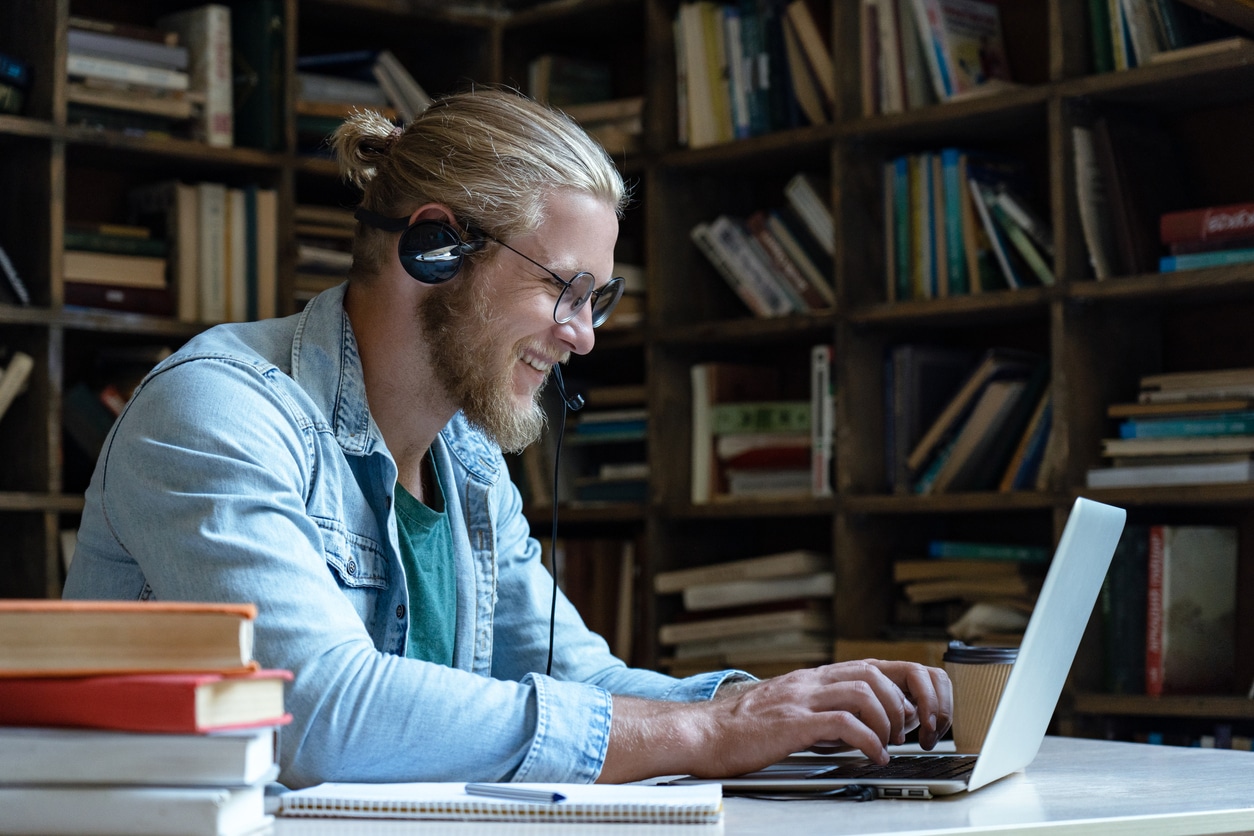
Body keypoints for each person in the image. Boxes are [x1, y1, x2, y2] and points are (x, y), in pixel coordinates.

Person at [63, 88, 951, 788]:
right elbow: (317, 709)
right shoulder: (216, 413)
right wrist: (709, 731)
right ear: (436, 247)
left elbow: (580, 683)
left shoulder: (471, 461)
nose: (584, 335)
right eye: (565, 289)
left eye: (597, 299)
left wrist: (781, 707)